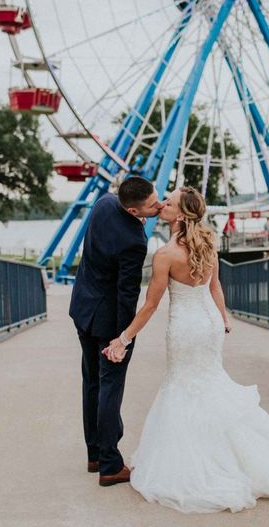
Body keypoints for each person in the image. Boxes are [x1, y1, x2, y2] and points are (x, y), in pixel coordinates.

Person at [103, 186, 269, 513]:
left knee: (183, 387)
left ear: (180, 215)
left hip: (185, 328)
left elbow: (150, 306)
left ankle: (200, 465)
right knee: (209, 384)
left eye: (170, 202)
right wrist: (223, 317)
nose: (162, 204)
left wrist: (123, 339)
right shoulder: (208, 243)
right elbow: (215, 286)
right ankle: (237, 457)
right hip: (208, 325)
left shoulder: (165, 254)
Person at [69, 176, 163, 486]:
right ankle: (110, 464)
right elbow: (127, 293)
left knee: (92, 383)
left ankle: (94, 453)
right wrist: (124, 337)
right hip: (109, 323)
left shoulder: (104, 203)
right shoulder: (135, 241)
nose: (159, 205)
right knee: (110, 388)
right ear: (135, 212)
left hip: (83, 310)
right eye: (152, 205)